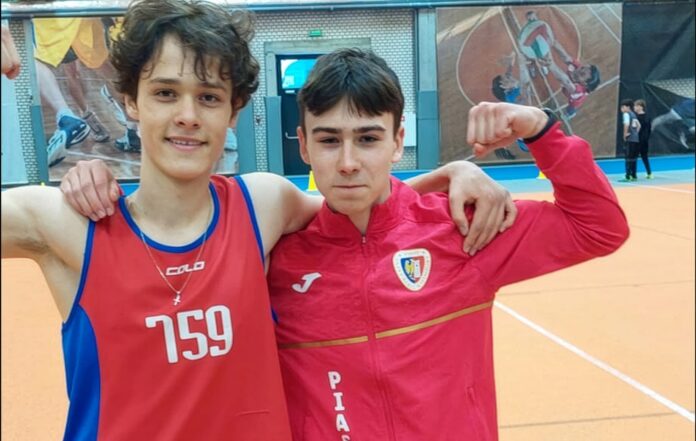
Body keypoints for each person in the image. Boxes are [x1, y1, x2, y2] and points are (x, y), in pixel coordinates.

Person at [2, 1, 514, 439]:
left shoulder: (261, 204)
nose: (187, 115)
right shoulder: (67, 223)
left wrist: (450, 173)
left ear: (234, 111)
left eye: (208, 97)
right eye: (165, 93)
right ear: (131, 101)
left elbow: (356, 206)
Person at [263, 49, 629, 440]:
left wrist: (541, 129)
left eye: (368, 138)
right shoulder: (274, 259)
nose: (348, 162)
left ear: (398, 142)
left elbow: (598, 228)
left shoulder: (461, 229)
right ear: (304, 146)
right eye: (329, 140)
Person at [620, 98, 641, 182]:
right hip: (636, 139)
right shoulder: (634, 114)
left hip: (630, 139)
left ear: (628, 107)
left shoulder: (626, 114)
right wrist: (635, 133)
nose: (622, 109)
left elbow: (626, 124)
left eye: (623, 107)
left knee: (628, 158)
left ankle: (628, 176)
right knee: (634, 158)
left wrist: (625, 134)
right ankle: (634, 175)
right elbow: (639, 126)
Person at [634, 99, 653, 179]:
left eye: (636, 106)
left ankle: (633, 175)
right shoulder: (648, 117)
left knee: (634, 157)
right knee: (644, 157)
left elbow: (636, 129)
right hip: (645, 140)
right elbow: (649, 129)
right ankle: (649, 173)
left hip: (638, 140)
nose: (634, 107)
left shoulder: (636, 118)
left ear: (641, 107)